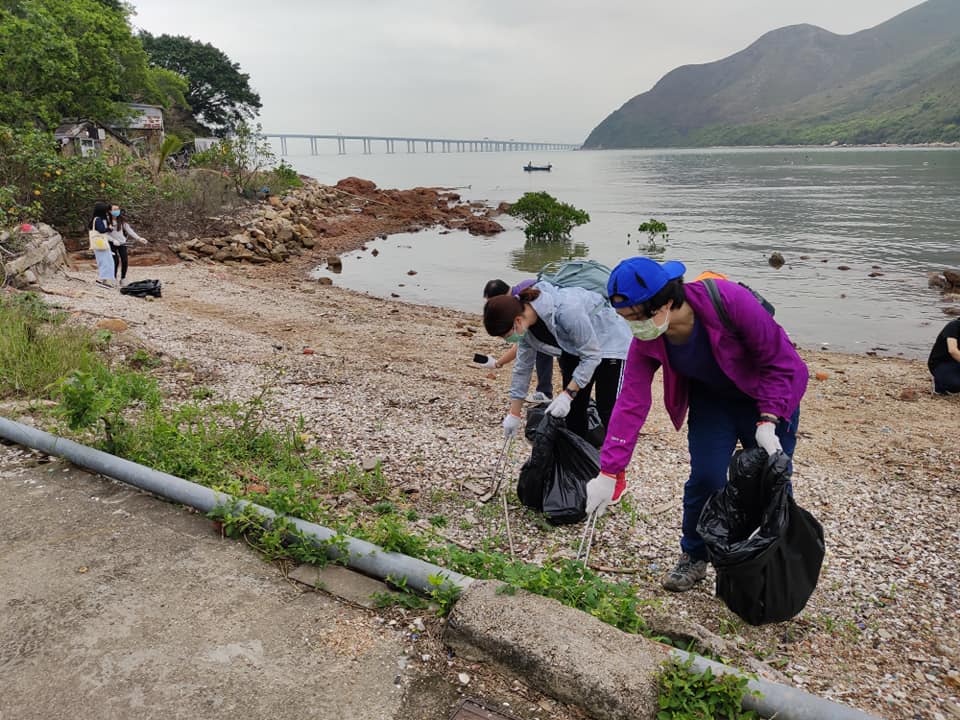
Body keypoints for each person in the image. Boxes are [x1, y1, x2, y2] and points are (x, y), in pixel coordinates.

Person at [584, 257, 808, 592]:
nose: (632, 327)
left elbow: (783, 362)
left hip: (768, 398)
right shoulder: (648, 339)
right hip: (713, 401)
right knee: (706, 477)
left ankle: (772, 564)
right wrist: (609, 470)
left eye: (635, 317)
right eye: (624, 318)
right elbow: (631, 402)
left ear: (668, 302)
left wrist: (769, 418)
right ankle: (694, 556)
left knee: (771, 483)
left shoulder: (730, 301)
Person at [483, 280, 632, 444]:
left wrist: (568, 394)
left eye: (506, 335)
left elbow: (591, 355)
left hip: (610, 343)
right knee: (574, 411)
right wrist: (514, 413)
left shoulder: (567, 310)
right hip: (572, 348)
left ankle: (614, 464)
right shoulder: (526, 330)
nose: (507, 340)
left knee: (608, 410)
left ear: (517, 320)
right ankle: (577, 461)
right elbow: (522, 368)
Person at [477, 278, 558, 402]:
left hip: (557, 327)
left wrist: (498, 363)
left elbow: (521, 347)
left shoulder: (518, 306)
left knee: (542, 350)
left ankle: (545, 392)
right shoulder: (522, 290)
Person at [107, 205, 147, 287]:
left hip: (122, 243)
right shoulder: (106, 221)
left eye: (118, 209)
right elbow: (104, 234)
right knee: (115, 261)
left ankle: (123, 278)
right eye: (114, 209)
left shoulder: (122, 221)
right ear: (110, 211)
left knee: (124, 260)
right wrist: (113, 240)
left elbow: (130, 231)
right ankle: (113, 278)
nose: (117, 211)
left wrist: (139, 238)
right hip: (112, 244)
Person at [928, 318, 960, 395]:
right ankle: (938, 384)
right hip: (941, 363)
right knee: (955, 385)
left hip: (957, 362)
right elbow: (952, 350)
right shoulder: (954, 326)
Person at [88, 201, 116, 288]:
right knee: (107, 261)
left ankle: (104, 279)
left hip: (99, 244)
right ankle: (105, 280)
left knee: (104, 261)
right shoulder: (98, 219)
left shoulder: (95, 219)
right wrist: (109, 228)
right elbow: (101, 230)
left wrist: (108, 229)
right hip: (101, 244)